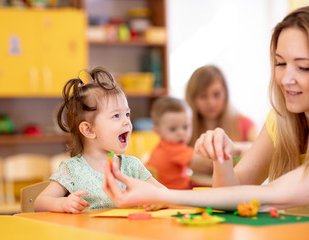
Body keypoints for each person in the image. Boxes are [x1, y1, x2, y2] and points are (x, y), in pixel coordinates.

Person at [102, 6, 309, 211]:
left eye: (303, 67)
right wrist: (222, 158)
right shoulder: (279, 121)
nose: (285, 79)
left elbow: (272, 194)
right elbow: (230, 196)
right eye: (280, 63)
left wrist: (162, 194)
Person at [34, 67, 166, 214]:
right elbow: (40, 202)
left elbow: (165, 194)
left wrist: (158, 200)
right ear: (89, 130)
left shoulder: (132, 166)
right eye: (116, 116)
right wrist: (63, 203)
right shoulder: (72, 169)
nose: (127, 122)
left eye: (127, 114)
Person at [184, 65, 257, 186]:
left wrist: (236, 148)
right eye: (203, 96)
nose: (211, 102)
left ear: (226, 94)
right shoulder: (184, 128)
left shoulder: (245, 124)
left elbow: (259, 152)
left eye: (216, 94)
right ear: (193, 99)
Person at [146, 96, 194, 189]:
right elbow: (201, 160)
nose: (181, 133)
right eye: (173, 129)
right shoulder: (172, 148)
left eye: (185, 127)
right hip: (174, 197)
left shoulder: (162, 146)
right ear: (158, 131)